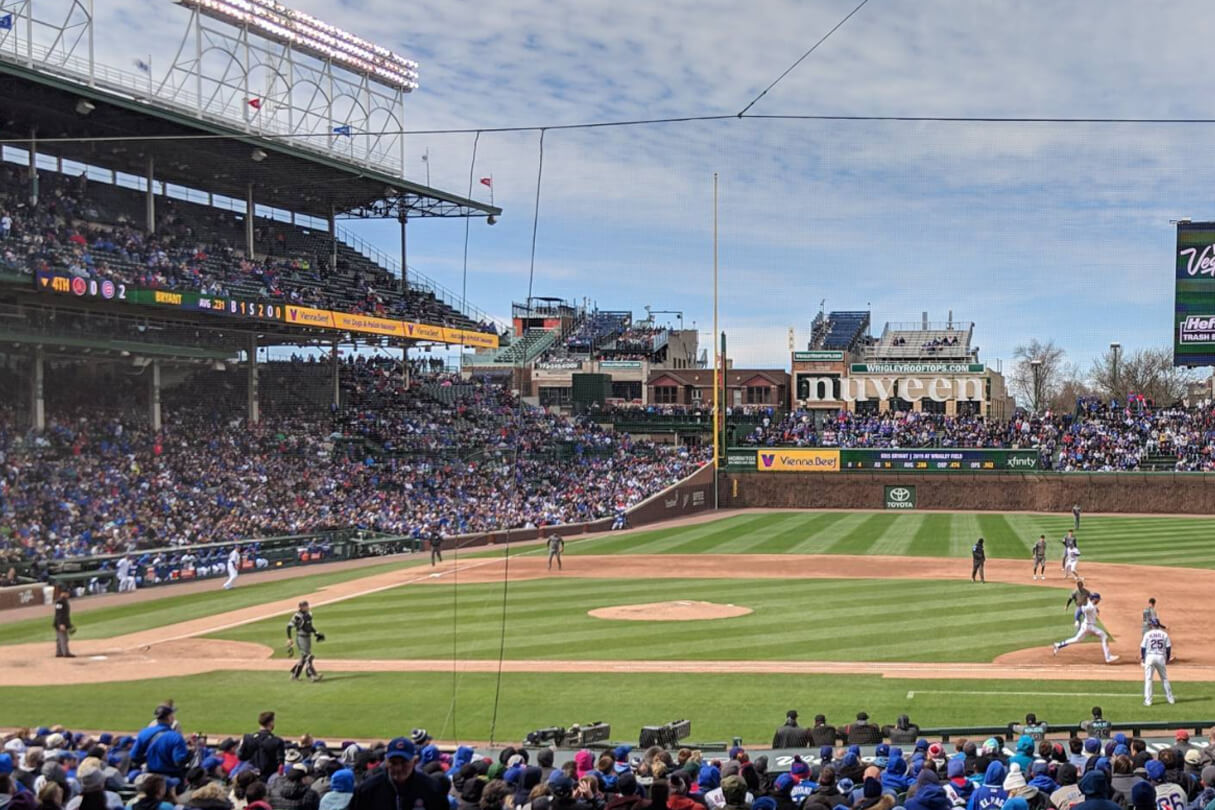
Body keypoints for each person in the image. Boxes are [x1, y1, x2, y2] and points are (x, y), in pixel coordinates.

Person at [349, 737, 446, 810]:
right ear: (386, 762)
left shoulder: (431, 788)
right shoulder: (366, 790)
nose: (398, 768)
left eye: (404, 762)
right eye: (393, 762)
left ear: (415, 761)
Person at [1053, 593, 1118, 664]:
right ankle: (1108, 657)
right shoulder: (1089, 606)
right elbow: (1080, 611)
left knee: (1077, 639)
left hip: (1086, 626)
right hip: (1089, 627)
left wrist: (1096, 609)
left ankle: (1058, 645)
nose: (1099, 601)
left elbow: (1090, 607)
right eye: (1098, 599)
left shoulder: (1091, 605)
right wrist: (1077, 620)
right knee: (1104, 636)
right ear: (1095, 599)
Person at [131, 704, 190, 779]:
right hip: (171, 778)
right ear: (169, 717)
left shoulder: (144, 733)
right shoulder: (175, 737)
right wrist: (190, 752)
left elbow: (134, 757)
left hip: (149, 777)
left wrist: (150, 757)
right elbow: (179, 761)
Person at [238, 712, 285, 779]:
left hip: (250, 777)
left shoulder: (248, 738)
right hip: (267, 778)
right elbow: (280, 765)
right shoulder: (277, 741)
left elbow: (241, 757)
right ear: (270, 723)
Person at [287, 601, 325, 682]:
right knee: (308, 657)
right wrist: (289, 638)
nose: (307, 607)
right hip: (301, 638)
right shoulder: (297, 616)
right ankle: (312, 675)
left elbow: (309, 626)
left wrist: (316, 633)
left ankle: (294, 675)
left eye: (307, 605)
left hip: (308, 638)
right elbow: (289, 627)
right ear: (301, 607)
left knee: (304, 658)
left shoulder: (309, 614)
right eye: (305, 606)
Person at [1140, 618, 1175, 706]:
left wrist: (1143, 659)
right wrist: (1167, 659)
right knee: (1164, 679)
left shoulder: (1148, 634)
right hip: (1160, 657)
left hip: (1150, 657)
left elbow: (1143, 648)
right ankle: (1171, 699)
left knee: (1148, 679)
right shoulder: (1164, 634)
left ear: (1152, 625)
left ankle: (1148, 701)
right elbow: (1168, 648)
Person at [52, 585, 74, 658]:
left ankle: (59, 652)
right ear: (63, 593)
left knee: (59, 638)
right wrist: (61, 624)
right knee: (64, 638)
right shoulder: (60, 602)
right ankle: (66, 653)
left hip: (62, 622)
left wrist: (69, 624)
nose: (68, 594)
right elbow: (59, 614)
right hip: (60, 623)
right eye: (67, 593)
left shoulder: (64, 601)